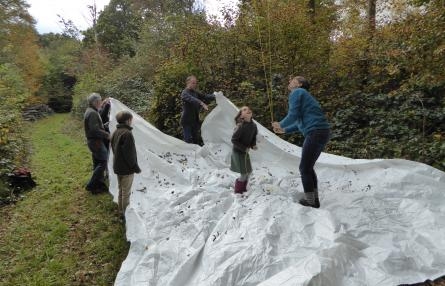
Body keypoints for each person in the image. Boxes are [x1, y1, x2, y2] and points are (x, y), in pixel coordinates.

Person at [272, 76, 330, 208]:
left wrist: (280, 124)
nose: (289, 81)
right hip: (321, 132)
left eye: (292, 80)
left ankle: (311, 201)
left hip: (315, 133)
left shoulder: (297, 92)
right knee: (308, 168)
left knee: (304, 168)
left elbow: (292, 115)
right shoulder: (304, 95)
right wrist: (284, 130)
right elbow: (298, 122)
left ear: (299, 84)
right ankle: (314, 199)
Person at [110, 110, 141, 218]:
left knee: (121, 190)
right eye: (131, 119)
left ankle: (120, 211)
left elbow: (114, 149)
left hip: (118, 166)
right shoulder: (127, 133)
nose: (131, 121)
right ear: (128, 120)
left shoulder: (115, 132)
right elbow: (129, 154)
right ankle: (125, 215)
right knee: (126, 193)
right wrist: (135, 167)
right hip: (126, 168)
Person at [84, 93, 110, 194]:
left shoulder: (91, 110)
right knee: (104, 162)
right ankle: (91, 185)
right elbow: (95, 130)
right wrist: (107, 135)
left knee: (97, 163)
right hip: (96, 142)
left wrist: (105, 125)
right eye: (99, 101)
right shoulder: (92, 113)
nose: (100, 103)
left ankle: (98, 186)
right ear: (95, 102)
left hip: (94, 142)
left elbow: (96, 126)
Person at [230, 106, 258, 194]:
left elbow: (253, 137)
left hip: (245, 153)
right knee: (244, 174)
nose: (248, 110)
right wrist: (244, 148)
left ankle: (243, 188)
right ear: (241, 116)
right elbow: (234, 140)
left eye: (248, 109)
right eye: (244, 110)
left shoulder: (254, 126)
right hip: (238, 152)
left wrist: (253, 145)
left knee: (249, 172)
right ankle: (238, 191)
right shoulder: (241, 126)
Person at [180, 75, 215, 144]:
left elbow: (205, 96)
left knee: (196, 140)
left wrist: (215, 96)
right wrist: (201, 103)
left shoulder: (195, 92)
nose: (195, 85)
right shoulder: (184, 93)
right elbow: (192, 99)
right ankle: (189, 154)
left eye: (195, 83)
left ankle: (196, 154)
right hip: (186, 122)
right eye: (193, 83)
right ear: (188, 83)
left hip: (194, 121)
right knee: (188, 141)